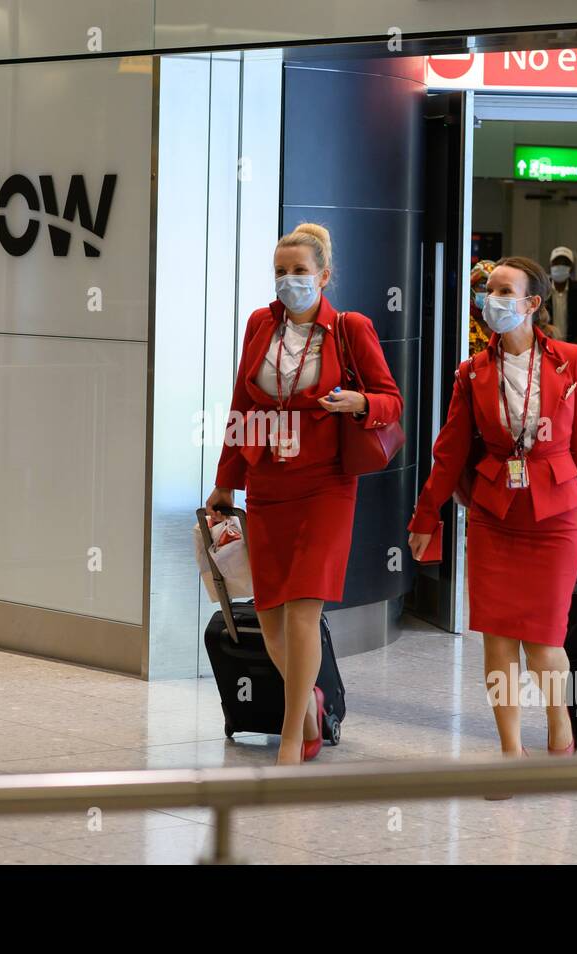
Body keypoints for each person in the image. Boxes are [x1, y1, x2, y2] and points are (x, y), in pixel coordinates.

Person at [205, 223, 403, 766]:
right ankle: (310, 705)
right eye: (281, 272)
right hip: (269, 481)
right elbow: (240, 408)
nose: (289, 281)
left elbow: (391, 400)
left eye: (299, 271)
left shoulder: (348, 328)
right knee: (268, 615)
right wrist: (227, 480)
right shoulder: (259, 325)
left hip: (325, 485)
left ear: (324, 274)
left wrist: (359, 403)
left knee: (301, 611)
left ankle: (292, 736)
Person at [407, 256, 577, 764]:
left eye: (502, 291)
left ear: (532, 303)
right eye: (487, 291)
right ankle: (509, 751)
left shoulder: (569, 362)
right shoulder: (473, 371)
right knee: (497, 640)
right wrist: (425, 515)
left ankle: (560, 726)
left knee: (543, 642)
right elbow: (449, 451)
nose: (490, 300)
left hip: (554, 517)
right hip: (495, 514)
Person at [544, 246, 577, 347]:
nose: (560, 266)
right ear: (550, 265)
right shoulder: (541, 291)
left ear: (571, 267)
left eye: (565, 263)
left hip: (575, 348)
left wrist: (572, 347)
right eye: (557, 262)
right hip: (546, 347)